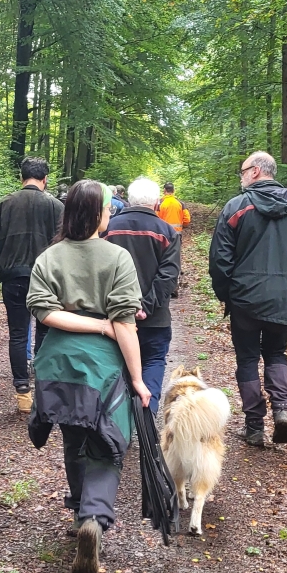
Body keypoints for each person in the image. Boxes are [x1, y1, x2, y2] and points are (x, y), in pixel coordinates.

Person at [26, 180, 151, 573]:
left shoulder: (49, 257)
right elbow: (123, 325)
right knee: (108, 443)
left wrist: (97, 323)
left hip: (57, 364)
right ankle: (94, 516)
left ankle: (81, 508)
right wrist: (138, 379)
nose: (111, 213)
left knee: (73, 435)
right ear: (97, 213)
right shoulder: (117, 258)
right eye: (107, 208)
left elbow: (44, 314)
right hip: (102, 369)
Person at [209, 151, 287, 446]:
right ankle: (282, 411)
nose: (241, 176)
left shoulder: (236, 207)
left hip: (244, 299)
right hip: (283, 298)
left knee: (247, 358)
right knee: (276, 354)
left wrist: (227, 295)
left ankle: (254, 427)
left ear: (256, 172)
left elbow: (219, 260)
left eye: (243, 170)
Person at [0, 155, 63, 413]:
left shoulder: (5, 204)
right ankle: (42, 386)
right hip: (47, 279)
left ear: (21, 177)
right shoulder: (56, 206)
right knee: (45, 331)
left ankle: (22, 390)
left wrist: (3, 270)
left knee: (17, 334)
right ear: (45, 179)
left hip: (13, 277)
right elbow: (66, 246)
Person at [104, 175, 180, 413]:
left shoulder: (108, 228)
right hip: (155, 318)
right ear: (156, 202)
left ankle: (121, 425)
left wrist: (125, 308)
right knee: (154, 362)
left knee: (120, 366)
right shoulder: (167, 231)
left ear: (130, 198)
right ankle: (147, 417)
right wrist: (145, 307)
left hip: (114, 317)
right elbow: (168, 276)